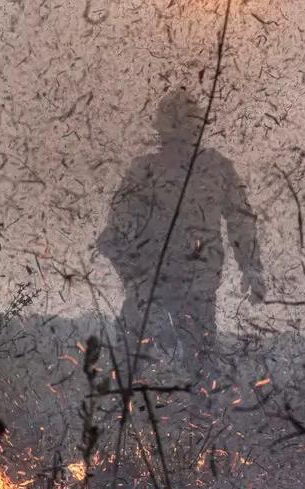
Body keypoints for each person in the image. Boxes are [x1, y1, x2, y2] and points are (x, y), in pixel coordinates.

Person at [97, 89, 264, 384]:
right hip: (152, 292)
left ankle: (197, 418)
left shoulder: (216, 169)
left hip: (193, 292)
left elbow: (241, 221)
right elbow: (112, 238)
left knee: (202, 375)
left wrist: (251, 268)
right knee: (125, 375)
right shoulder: (146, 171)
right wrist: (137, 282)